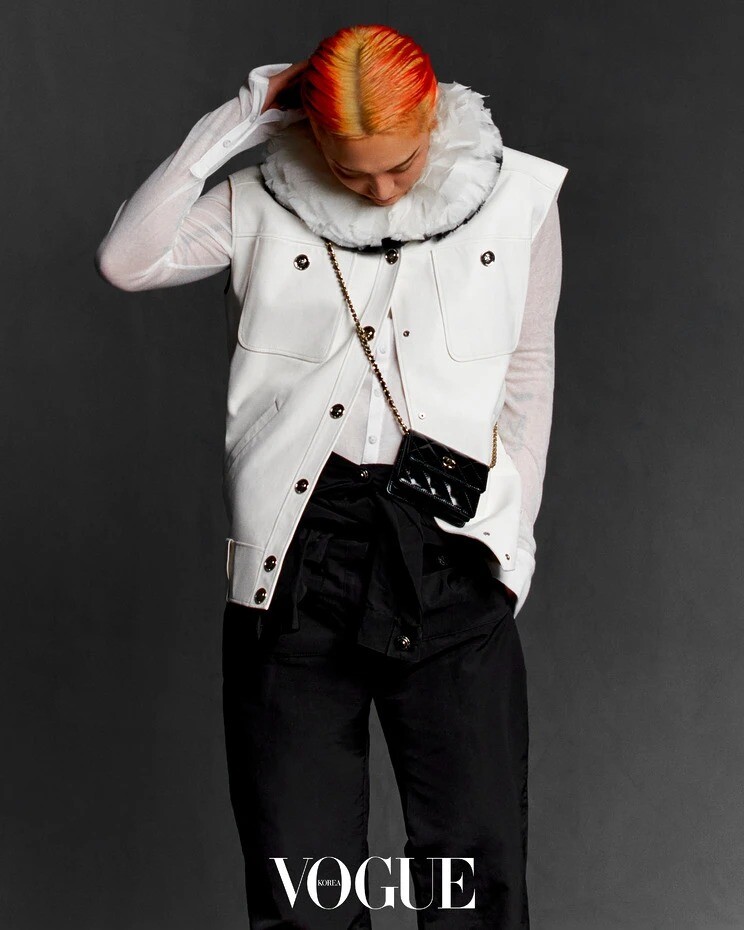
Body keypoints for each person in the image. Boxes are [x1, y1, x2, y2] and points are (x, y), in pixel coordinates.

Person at [96, 22, 567, 930]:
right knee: (300, 887)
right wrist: (240, 120)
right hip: (296, 561)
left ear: (433, 117)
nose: (382, 191)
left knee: (475, 879)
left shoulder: (519, 199)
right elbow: (127, 260)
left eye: (403, 165)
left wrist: (513, 548)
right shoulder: (262, 199)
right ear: (313, 136)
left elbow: (527, 372)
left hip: (451, 550)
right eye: (354, 172)